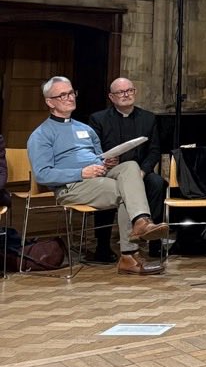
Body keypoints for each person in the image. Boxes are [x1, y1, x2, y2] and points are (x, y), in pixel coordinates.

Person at [27, 76, 166, 275]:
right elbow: (42, 174)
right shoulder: (41, 134)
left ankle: (141, 221)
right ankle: (129, 254)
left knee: (130, 166)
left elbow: (97, 157)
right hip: (72, 186)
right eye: (63, 95)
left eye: (71, 92)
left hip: (98, 177)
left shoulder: (85, 129)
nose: (70, 97)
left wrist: (104, 162)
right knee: (126, 191)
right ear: (50, 102)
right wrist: (81, 172)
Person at [89, 77, 165, 260]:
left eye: (129, 91)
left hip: (140, 171)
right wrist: (104, 162)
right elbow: (93, 151)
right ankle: (102, 245)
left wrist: (143, 171)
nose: (126, 95)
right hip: (111, 173)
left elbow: (154, 150)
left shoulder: (148, 118)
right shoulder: (98, 119)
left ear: (135, 92)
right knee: (108, 187)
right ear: (111, 97)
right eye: (121, 92)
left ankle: (153, 238)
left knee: (157, 183)